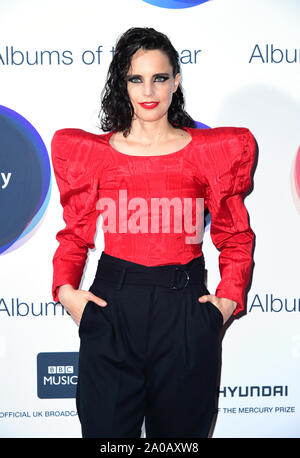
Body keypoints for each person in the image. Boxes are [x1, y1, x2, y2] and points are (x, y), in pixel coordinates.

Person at [51, 27, 257, 438]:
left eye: (159, 78)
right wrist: (65, 292)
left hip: (184, 311)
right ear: (121, 83)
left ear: (176, 81)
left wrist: (227, 300)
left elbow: (235, 236)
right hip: (112, 308)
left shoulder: (210, 153)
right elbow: (74, 234)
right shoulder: (92, 154)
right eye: (136, 78)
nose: (149, 90)